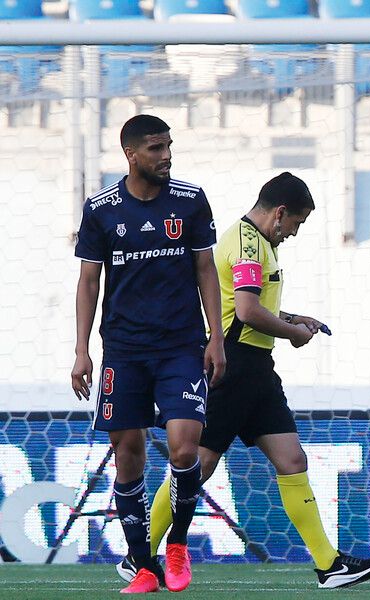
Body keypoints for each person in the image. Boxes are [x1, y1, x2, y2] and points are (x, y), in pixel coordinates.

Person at [115, 172, 370, 589]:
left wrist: (293, 318)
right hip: (234, 367)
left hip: (256, 369)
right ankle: (139, 556)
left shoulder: (255, 242)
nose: (294, 233)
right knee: (198, 465)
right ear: (279, 213)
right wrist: (293, 333)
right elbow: (244, 311)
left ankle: (329, 565)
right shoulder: (246, 243)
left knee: (292, 460)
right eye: (296, 223)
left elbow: (249, 305)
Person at [71, 114, 226, 593]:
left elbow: (205, 270)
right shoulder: (101, 209)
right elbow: (89, 280)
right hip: (123, 350)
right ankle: (143, 565)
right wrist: (82, 351)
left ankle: (177, 542)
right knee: (128, 458)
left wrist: (215, 338)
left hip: (181, 346)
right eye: (156, 148)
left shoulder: (190, 201)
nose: (166, 156)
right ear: (131, 154)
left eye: (169, 147)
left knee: (184, 449)